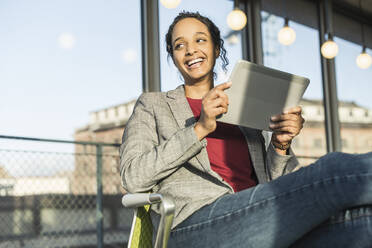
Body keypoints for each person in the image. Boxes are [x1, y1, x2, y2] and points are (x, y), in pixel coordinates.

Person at [120, 11, 372, 248]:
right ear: (172, 56)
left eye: (200, 40)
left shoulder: (242, 105)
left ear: (216, 48)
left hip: (257, 217)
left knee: (364, 223)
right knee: (333, 169)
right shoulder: (152, 105)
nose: (190, 50)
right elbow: (132, 177)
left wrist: (281, 144)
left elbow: (280, 184)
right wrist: (198, 129)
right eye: (179, 45)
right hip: (193, 224)